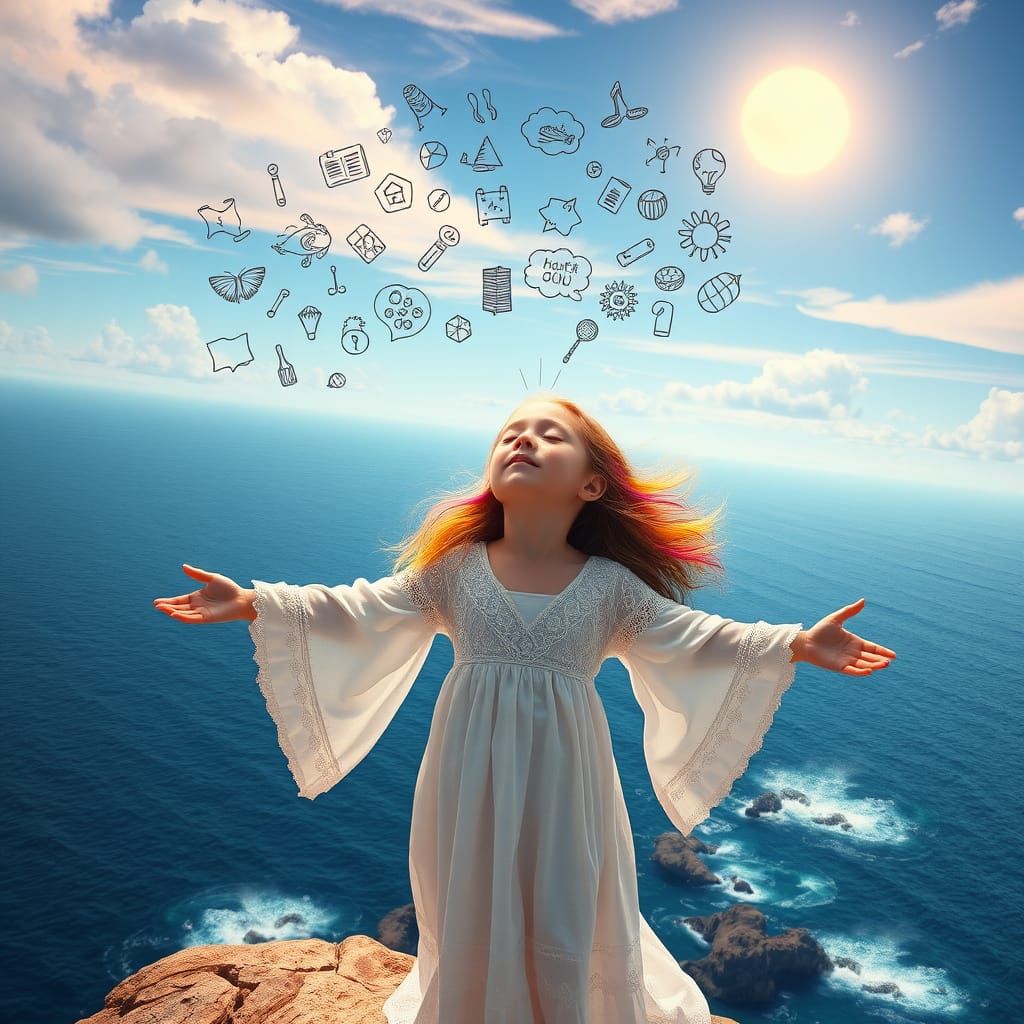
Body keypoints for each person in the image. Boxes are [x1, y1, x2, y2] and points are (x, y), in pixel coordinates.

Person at [152, 393, 896, 1024]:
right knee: (468, 886)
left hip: (568, 776)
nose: (523, 439)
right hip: (467, 769)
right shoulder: (453, 570)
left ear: (592, 485)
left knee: (565, 895)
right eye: (510, 432)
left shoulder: (610, 586)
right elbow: (359, 608)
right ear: (492, 472)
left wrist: (796, 644)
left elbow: (699, 637)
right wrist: (255, 602)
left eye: (549, 435)